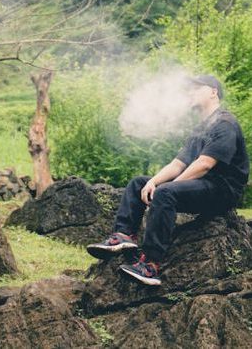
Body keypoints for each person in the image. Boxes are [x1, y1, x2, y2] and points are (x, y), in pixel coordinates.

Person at [86, 74, 249, 286]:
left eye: (196, 88)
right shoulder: (202, 128)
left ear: (213, 92)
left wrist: (170, 186)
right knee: (138, 184)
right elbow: (178, 164)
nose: (190, 93)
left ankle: (151, 265)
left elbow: (205, 164)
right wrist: (153, 181)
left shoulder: (225, 123)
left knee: (166, 192)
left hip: (223, 191)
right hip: (201, 186)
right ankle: (124, 235)